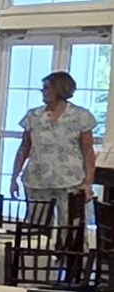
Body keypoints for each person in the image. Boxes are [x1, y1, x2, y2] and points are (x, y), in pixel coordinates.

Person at [12, 70, 99, 208]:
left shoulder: (81, 116)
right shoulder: (33, 115)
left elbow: (88, 151)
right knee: (37, 220)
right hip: (37, 179)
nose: (43, 91)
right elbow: (24, 148)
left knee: (69, 220)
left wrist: (88, 183)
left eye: (47, 88)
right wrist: (14, 177)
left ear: (59, 89)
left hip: (70, 181)